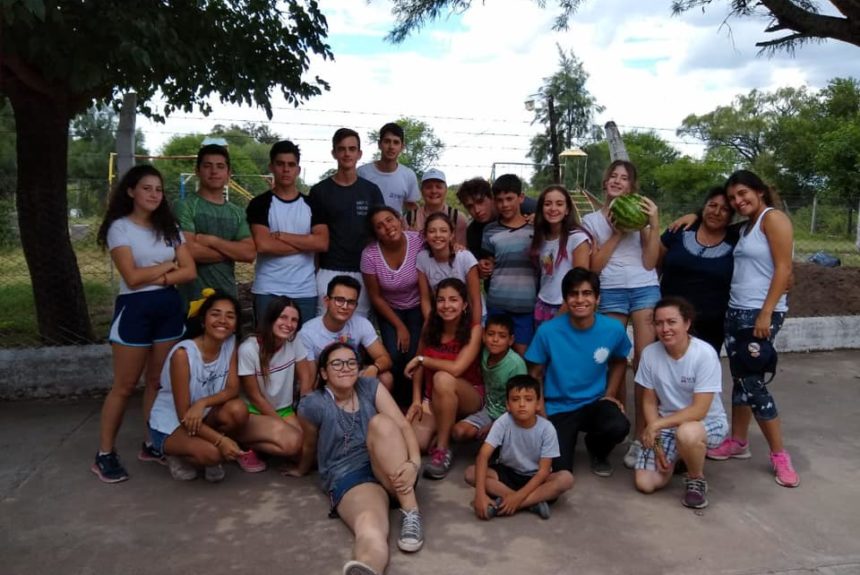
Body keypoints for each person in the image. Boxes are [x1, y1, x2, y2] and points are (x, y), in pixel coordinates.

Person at [92, 165, 196, 483]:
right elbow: (132, 278)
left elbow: (189, 271)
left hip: (167, 306)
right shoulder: (119, 228)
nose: (154, 194)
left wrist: (161, 274)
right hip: (135, 310)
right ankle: (105, 454)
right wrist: (167, 266)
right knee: (124, 386)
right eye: (147, 188)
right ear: (131, 191)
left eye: (158, 189)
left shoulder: (169, 226)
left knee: (156, 381)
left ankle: (152, 444)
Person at [291, 343, 425, 575]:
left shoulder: (370, 386)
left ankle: (411, 512)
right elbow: (310, 443)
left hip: (390, 463)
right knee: (369, 527)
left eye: (351, 362)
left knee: (381, 423)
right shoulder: (313, 404)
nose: (346, 368)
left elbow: (403, 425)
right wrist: (303, 468)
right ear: (323, 373)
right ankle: (367, 568)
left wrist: (414, 463)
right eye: (337, 363)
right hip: (349, 474)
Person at [706, 170, 799, 488]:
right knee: (741, 379)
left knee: (754, 383)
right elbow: (714, 224)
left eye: (743, 193)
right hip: (736, 311)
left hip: (759, 313)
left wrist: (766, 312)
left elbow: (785, 267)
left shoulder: (773, 220)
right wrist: (694, 215)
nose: (738, 201)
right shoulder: (746, 228)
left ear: (759, 191)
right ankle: (739, 441)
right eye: (733, 198)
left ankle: (779, 456)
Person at [581, 160, 660, 469]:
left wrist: (652, 224)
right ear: (605, 183)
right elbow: (594, 267)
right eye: (612, 175)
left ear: (631, 186)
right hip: (611, 291)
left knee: (645, 361)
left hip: (644, 288)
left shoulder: (639, 214)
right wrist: (616, 233)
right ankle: (621, 428)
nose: (617, 180)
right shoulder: (590, 219)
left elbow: (651, 262)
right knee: (614, 362)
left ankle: (644, 433)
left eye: (624, 178)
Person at [525, 267, 631, 478]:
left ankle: (597, 449)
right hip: (558, 407)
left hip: (594, 403)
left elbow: (620, 361)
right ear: (565, 299)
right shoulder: (548, 331)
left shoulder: (613, 329)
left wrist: (610, 394)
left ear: (597, 298)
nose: (580, 300)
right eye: (573, 294)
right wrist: (541, 412)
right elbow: (534, 374)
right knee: (559, 472)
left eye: (587, 293)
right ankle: (564, 442)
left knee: (619, 426)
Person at [633, 297, 729, 509]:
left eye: (671, 322)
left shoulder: (704, 354)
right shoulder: (650, 354)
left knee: (687, 434)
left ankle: (696, 479)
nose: (665, 328)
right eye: (659, 323)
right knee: (645, 483)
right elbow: (648, 401)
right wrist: (656, 442)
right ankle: (679, 456)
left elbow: (699, 409)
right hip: (667, 425)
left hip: (705, 423)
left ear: (687, 323)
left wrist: (655, 426)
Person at [148, 290, 249, 483]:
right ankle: (175, 454)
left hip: (200, 414)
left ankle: (201, 444)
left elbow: (232, 389)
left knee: (238, 410)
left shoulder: (230, 343)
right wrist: (221, 440)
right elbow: (183, 415)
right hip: (172, 423)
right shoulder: (183, 355)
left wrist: (203, 402)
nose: (222, 320)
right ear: (203, 320)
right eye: (215, 314)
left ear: (235, 325)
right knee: (213, 454)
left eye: (230, 316)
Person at [405, 278, 483, 480]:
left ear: (464, 304)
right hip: (434, 398)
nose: (446, 305)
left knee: (443, 377)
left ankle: (443, 448)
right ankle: (443, 431)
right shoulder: (430, 325)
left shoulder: (474, 330)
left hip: (469, 395)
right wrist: (416, 399)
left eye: (453, 300)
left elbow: (456, 368)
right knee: (418, 443)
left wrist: (423, 359)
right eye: (441, 300)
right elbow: (418, 367)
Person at [465, 375, 574, 520]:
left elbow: (543, 472)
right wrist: (480, 495)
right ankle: (532, 503)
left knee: (566, 479)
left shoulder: (547, 429)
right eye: (515, 399)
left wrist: (518, 498)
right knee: (471, 473)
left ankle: (511, 503)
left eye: (528, 399)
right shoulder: (503, 422)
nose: (522, 404)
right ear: (508, 405)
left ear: (538, 405)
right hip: (508, 472)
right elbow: (483, 456)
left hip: (535, 477)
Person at [246, 140, 327, 326]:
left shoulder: (313, 205)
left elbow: (322, 243)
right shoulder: (259, 204)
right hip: (268, 289)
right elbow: (263, 245)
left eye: (291, 165)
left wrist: (283, 236)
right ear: (271, 167)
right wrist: (307, 243)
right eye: (280, 164)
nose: (286, 169)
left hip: (304, 291)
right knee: (267, 347)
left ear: (298, 170)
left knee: (303, 346)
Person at [309, 128, 385, 318]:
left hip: (363, 272)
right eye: (341, 149)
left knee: (357, 331)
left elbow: (381, 234)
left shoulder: (371, 191)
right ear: (334, 153)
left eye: (352, 149)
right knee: (324, 328)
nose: (347, 153)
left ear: (359, 153)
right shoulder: (319, 191)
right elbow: (315, 238)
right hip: (328, 270)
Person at [235, 296, 314, 472]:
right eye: (283, 317)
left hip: (284, 409)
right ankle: (240, 443)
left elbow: (306, 378)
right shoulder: (249, 349)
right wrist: (283, 426)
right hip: (255, 411)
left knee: (309, 453)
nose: (289, 324)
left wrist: (306, 412)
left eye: (294, 320)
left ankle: (261, 446)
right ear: (271, 318)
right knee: (293, 443)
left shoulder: (294, 341)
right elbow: (255, 397)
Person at [659, 187, 738, 354]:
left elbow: (763, 217)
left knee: (701, 374)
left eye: (724, 209)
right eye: (712, 205)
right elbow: (654, 267)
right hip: (668, 321)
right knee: (663, 371)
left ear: (732, 216)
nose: (716, 212)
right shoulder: (680, 230)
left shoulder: (737, 240)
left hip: (710, 326)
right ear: (703, 207)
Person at [176, 144, 255, 305]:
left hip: (227, 301)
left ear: (228, 173)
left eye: (220, 166)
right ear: (197, 171)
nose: (214, 171)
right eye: (207, 166)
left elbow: (248, 253)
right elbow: (188, 250)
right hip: (191, 301)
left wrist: (213, 241)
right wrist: (232, 250)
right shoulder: (185, 206)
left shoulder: (238, 213)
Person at [361, 205, 424, 406]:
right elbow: (375, 296)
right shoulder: (370, 255)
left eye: (390, 220)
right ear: (375, 233)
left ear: (399, 219)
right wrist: (399, 326)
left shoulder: (418, 242)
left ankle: (416, 402)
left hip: (417, 305)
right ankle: (394, 403)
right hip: (390, 308)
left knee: (415, 353)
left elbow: (442, 246)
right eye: (380, 226)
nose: (387, 227)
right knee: (394, 354)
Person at [299, 275, 394, 389]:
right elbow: (309, 378)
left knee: (386, 377)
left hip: (352, 375)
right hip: (325, 380)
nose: (345, 306)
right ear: (326, 301)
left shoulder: (361, 323)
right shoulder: (307, 332)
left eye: (351, 302)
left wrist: (374, 368)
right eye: (339, 300)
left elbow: (385, 358)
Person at [480, 174, 537, 355]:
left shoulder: (536, 228)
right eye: (500, 200)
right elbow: (488, 263)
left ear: (521, 197)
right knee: (496, 356)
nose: (505, 205)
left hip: (526, 307)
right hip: (497, 303)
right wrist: (483, 267)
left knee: (523, 357)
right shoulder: (490, 230)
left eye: (510, 199)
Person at [452, 314, 526, 443]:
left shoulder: (516, 364)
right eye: (491, 334)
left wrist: (496, 425)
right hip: (488, 410)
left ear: (511, 340)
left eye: (502, 336)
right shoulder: (485, 352)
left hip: (511, 415)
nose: (495, 340)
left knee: (495, 437)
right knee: (459, 432)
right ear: (484, 336)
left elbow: (520, 403)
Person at [530, 184, 592, 328]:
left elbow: (580, 283)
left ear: (567, 210)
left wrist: (562, 313)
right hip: (542, 304)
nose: (553, 209)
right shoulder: (541, 238)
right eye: (547, 204)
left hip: (566, 307)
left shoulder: (577, 238)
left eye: (559, 204)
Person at [415, 212, 483, 326]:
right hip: (444, 316)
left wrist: (475, 328)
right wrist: (431, 325)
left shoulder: (465, 257)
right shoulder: (422, 258)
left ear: (451, 235)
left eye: (443, 231)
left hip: (471, 315)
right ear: (425, 236)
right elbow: (425, 299)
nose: (437, 235)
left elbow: (475, 300)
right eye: (432, 231)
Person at [357, 122, 420, 213]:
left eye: (396, 142)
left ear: (402, 147)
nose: (391, 147)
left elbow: (411, 206)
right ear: (379, 144)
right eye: (387, 141)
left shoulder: (408, 175)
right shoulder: (362, 173)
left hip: (396, 227)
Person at [404, 169, 468, 246]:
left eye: (438, 187)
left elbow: (462, 250)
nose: (434, 191)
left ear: (446, 190)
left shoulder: (457, 218)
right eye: (428, 187)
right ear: (422, 191)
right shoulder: (409, 218)